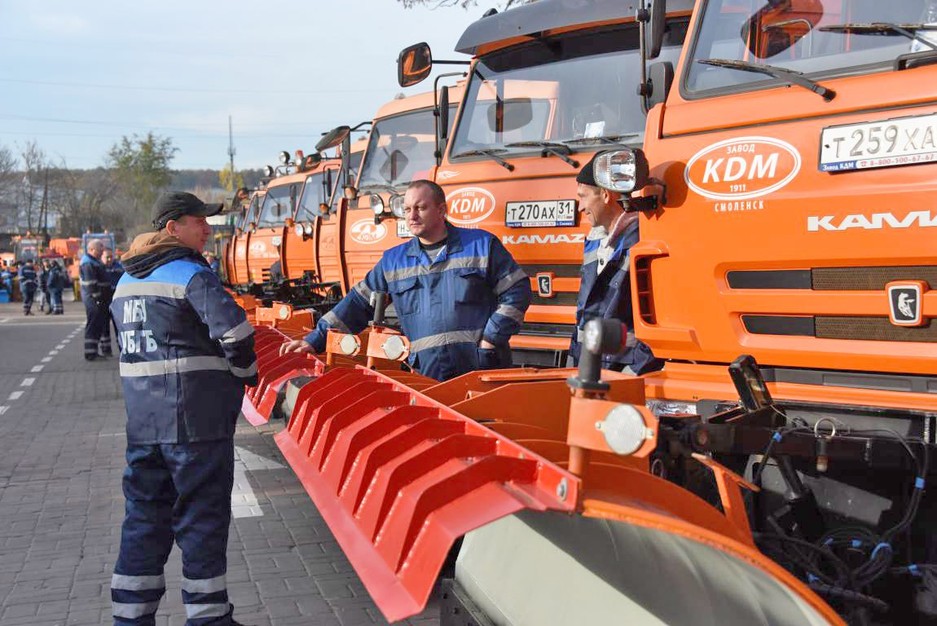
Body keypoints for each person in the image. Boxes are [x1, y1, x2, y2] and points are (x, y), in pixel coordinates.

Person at [109, 191, 257, 626]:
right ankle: (210, 618)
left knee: (144, 520)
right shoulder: (191, 274)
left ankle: (131, 617)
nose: (208, 230)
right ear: (172, 228)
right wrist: (246, 376)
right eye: (199, 221)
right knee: (202, 521)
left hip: (144, 427)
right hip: (196, 425)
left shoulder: (126, 282)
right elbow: (236, 334)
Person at [280, 179, 531, 381]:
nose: (412, 216)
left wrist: (491, 339)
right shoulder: (394, 261)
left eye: (420, 208)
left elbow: (518, 290)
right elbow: (356, 303)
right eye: (407, 209)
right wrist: (315, 340)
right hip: (427, 376)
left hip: (482, 368)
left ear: (441, 210)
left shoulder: (480, 245)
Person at [569, 153, 662, 375]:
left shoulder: (641, 241)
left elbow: (660, 318)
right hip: (592, 369)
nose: (580, 207)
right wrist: (575, 362)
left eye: (583, 197)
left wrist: (633, 370)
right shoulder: (594, 241)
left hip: (624, 372)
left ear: (605, 194)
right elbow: (586, 313)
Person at [80, 239, 112, 360]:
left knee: (98, 325)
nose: (102, 251)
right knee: (93, 325)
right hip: (93, 300)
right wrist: (98, 298)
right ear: (92, 249)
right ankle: (90, 353)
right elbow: (91, 283)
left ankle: (94, 351)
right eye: (100, 249)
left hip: (98, 300)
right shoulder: (88, 263)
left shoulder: (94, 261)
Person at [102, 249, 125, 350]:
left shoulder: (119, 267)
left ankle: (122, 348)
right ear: (102, 257)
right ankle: (106, 348)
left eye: (111, 257)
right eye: (107, 257)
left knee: (119, 325)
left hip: (116, 300)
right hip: (104, 300)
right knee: (104, 325)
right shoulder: (99, 268)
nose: (109, 259)